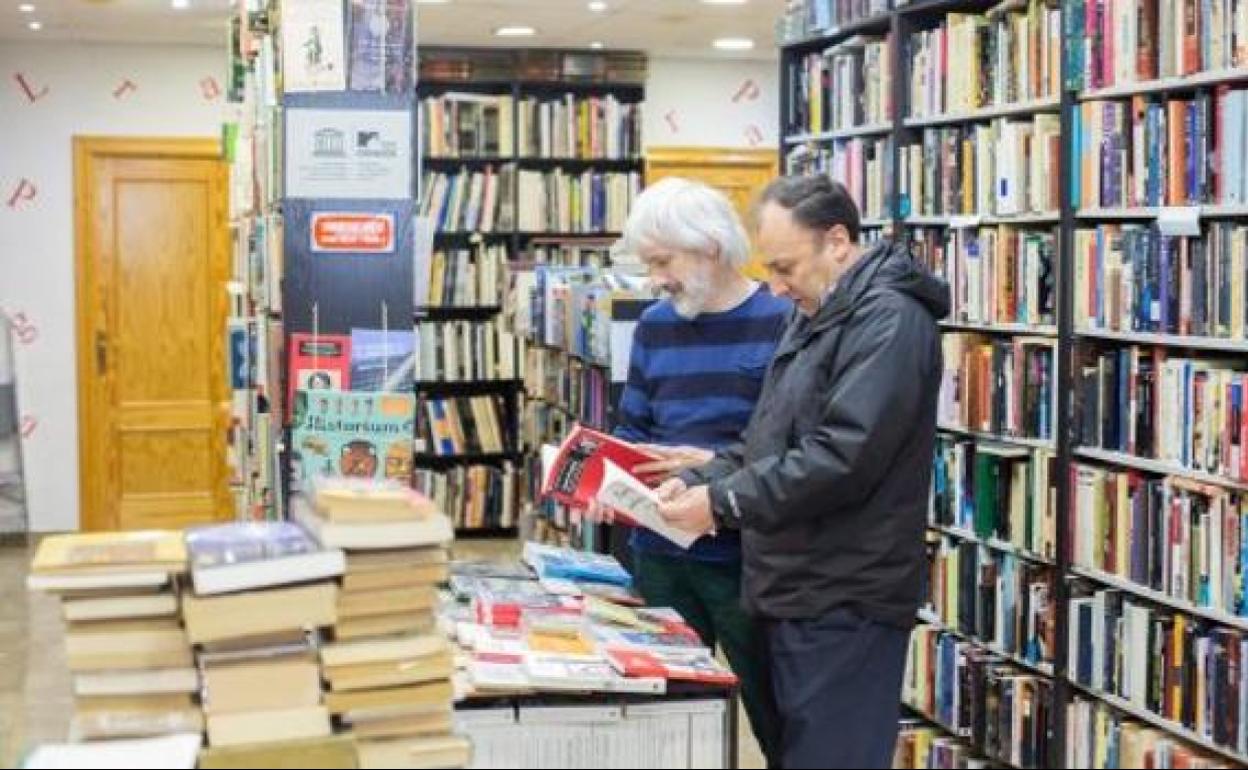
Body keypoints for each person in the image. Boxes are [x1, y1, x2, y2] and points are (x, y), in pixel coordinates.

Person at [658, 175, 951, 769]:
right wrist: (704, 478)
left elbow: (843, 458)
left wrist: (722, 503)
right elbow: (772, 436)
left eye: (786, 266)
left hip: (845, 595)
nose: (776, 285)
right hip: (795, 585)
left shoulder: (888, 321)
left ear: (837, 242)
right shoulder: (817, 308)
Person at [589, 176, 790, 765]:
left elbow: (783, 443)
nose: (655, 278)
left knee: (774, 710)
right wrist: (607, 478)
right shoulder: (654, 323)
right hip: (660, 552)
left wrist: (714, 476)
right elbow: (634, 426)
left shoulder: (781, 321)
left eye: (661, 261)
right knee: (665, 713)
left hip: (746, 557)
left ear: (709, 247)